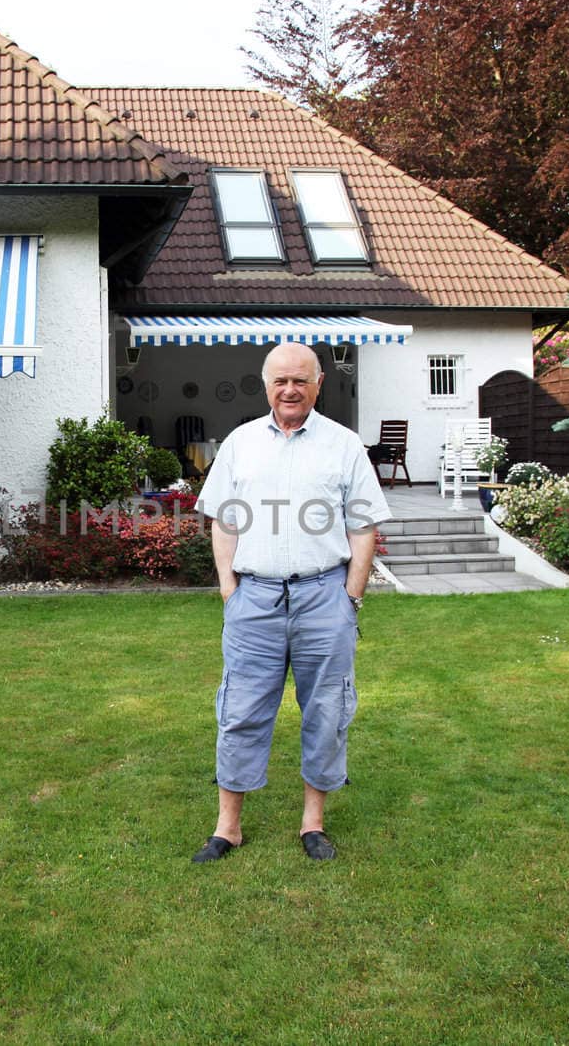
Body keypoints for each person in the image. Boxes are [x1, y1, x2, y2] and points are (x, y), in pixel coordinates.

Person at [190, 342, 390, 863]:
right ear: (266, 384)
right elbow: (223, 523)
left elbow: (364, 526)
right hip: (253, 598)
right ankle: (227, 826)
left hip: (324, 596)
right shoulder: (239, 444)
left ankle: (313, 823)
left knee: (326, 710)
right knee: (240, 710)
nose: (290, 390)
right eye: (281, 381)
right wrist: (230, 591)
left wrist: (351, 597)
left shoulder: (344, 446)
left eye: (301, 380)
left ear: (318, 383)